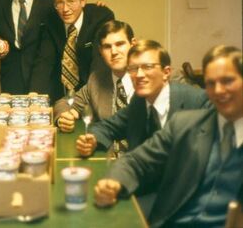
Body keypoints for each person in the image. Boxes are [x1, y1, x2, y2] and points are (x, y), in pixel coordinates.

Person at [94, 45, 243, 228]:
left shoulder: (195, 102)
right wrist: (114, 182)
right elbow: (135, 161)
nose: (218, 90)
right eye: (211, 83)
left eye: (227, 81)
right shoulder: (185, 124)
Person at [76, 39, 211, 156]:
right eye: (133, 68)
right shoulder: (140, 102)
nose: (139, 75)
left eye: (147, 67)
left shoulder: (198, 102)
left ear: (166, 72)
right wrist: (92, 140)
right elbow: (107, 127)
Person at [30, 0, 115, 103]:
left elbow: (98, 62)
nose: (65, 9)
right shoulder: (51, 21)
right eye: (60, 2)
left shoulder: (100, 17)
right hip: (62, 94)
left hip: (94, 93)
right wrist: (34, 95)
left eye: (71, 1)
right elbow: (44, 61)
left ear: (83, 1)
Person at [55, 20, 136, 133]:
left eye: (120, 44)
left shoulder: (148, 78)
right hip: (107, 148)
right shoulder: (97, 80)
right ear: (100, 51)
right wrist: (64, 118)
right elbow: (63, 103)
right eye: (107, 47)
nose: (114, 52)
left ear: (133, 45)